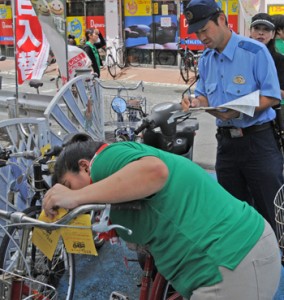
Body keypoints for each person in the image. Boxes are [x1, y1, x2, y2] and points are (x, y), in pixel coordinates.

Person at [43, 133, 281, 299]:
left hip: (232, 262)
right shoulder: (119, 162)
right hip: (240, 254)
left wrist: (75, 197)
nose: (70, 193)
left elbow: (155, 172)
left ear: (84, 166)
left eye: (68, 184)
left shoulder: (103, 162)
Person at [182, 0, 284, 233]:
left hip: (258, 143)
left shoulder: (254, 52)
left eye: (204, 30)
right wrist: (196, 103)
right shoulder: (206, 59)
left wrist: (240, 110)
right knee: (232, 212)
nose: (201, 37)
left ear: (221, 20)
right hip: (226, 145)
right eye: (197, 32)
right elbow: (204, 96)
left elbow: (271, 97)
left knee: (273, 211)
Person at [250, 13, 284, 99]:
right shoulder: (241, 56)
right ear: (250, 31)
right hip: (243, 109)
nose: (261, 33)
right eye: (257, 28)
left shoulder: (278, 59)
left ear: (273, 34)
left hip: (273, 108)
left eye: (266, 29)